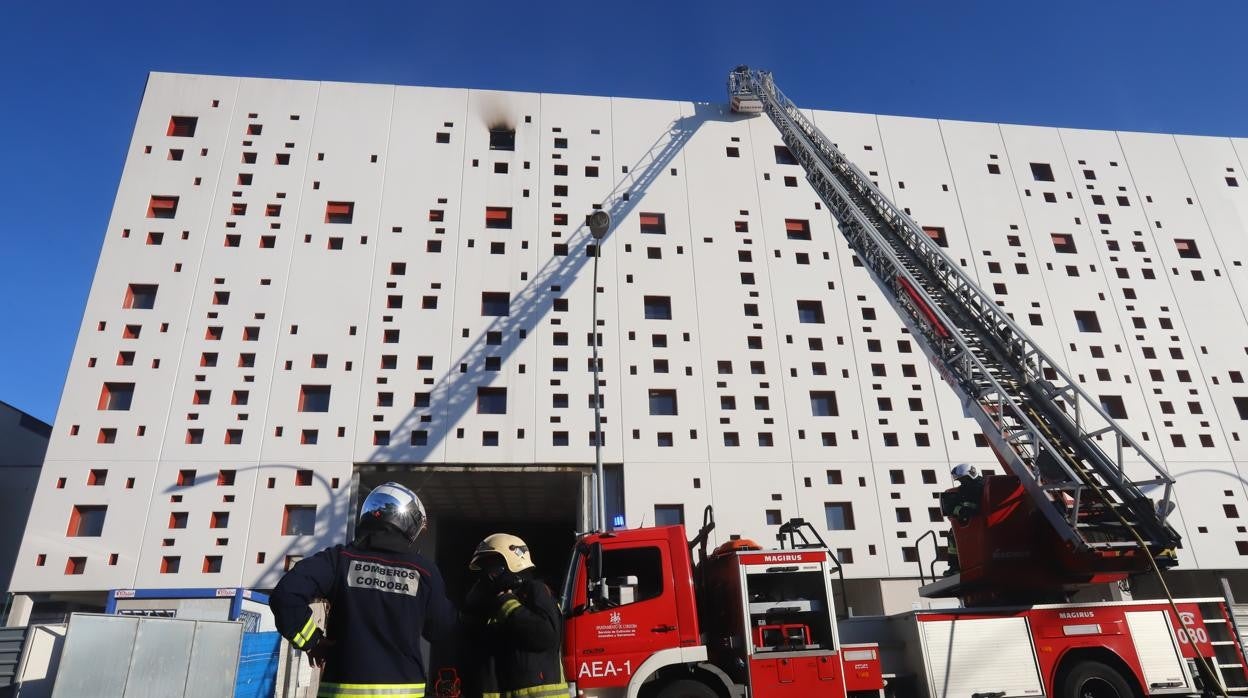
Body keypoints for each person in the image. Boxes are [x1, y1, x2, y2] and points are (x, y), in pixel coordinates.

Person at [271, 482, 454, 698]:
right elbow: (441, 630)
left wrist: (313, 641)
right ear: (407, 524)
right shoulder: (424, 571)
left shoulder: (339, 559)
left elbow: (286, 596)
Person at [457, 533, 566, 698]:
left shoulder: (535, 591)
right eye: (484, 572)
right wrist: (473, 607)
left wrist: (509, 604)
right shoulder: (489, 602)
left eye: (494, 570)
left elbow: (546, 635)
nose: (488, 577)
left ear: (514, 564)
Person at [943, 464, 985, 575]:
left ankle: (955, 566)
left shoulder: (978, 487)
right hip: (974, 520)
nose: (960, 482)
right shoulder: (975, 485)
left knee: (953, 535)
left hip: (976, 520)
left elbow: (972, 508)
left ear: (968, 476)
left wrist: (958, 510)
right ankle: (954, 566)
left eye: (961, 479)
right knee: (952, 534)